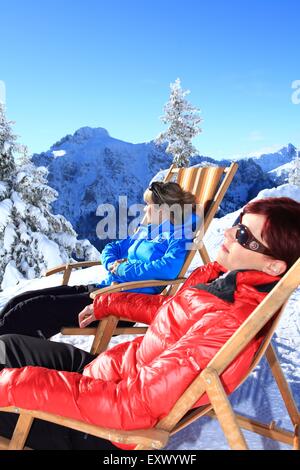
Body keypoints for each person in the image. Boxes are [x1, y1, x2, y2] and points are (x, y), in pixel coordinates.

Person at [0, 196, 299, 450]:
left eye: (244, 236)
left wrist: (11, 385)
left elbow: (131, 408)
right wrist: (109, 302)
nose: (229, 234)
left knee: (16, 351)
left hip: (98, 426)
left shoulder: (225, 323)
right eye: (237, 224)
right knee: (8, 343)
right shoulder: (224, 284)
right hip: (107, 374)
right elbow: (170, 311)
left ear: (273, 266)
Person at [0, 181, 199, 339]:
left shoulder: (179, 237)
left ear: (163, 209)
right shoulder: (148, 231)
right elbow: (113, 248)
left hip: (119, 303)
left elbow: (167, 270)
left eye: (149, 205)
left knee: (30, 311)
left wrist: (123, 269)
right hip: (104, 289)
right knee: (19, 301)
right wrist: (112, 263)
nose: (145, 210)